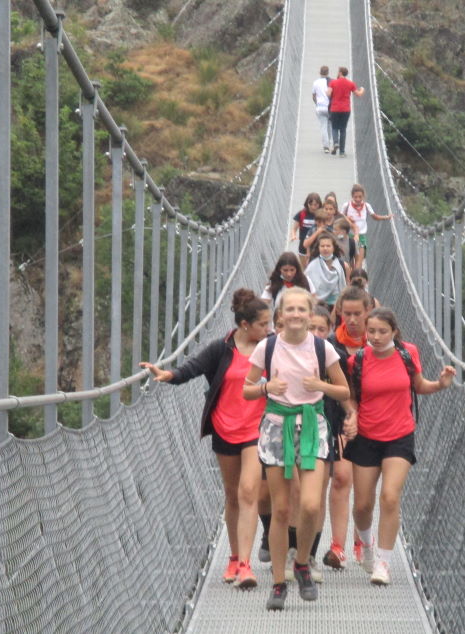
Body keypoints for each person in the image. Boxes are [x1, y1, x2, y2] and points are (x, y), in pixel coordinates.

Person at [139, 289, 272, 590]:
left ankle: (246, 566)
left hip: (257, 429)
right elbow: (192, 369)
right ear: (244, 325)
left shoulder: (271, 348)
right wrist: (168, 374)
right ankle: (234, 557)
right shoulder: (221, 349)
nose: (269, 329)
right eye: (263, 324)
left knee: (249, 491)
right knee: (232, 493)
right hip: (225, 427)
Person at [243, 288, 352, 611]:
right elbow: (247, 390)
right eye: (288, 309)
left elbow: (343, 389)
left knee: (309, 506)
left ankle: (302, 561)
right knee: (281, 510)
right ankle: (279, 582)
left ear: (309, 314)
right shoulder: (267, 346)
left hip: (312, 426)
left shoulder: (323, 348)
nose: (295, 314)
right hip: (277, 427)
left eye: (300, 310)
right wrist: (266, 387)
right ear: (279, 316)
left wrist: (321, 387)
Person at [345, 307, 456, 586]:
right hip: (367, 436)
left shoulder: (408, 354)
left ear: (394, 331)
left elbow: (418, 386)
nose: (376, 336)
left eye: (383, 331)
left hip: (399, 435)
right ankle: (367, 547)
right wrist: (353, 417)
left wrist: (440, 384)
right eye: (371, 331)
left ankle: (383, 563)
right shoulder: (357, 360)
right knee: (361, 505)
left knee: (391, 497)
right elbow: (351, 397)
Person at [321, 286, 371, 570]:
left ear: (367, 313)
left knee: (365, 487)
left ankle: (361, 541)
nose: (351, 320)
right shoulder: (330, 346)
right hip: (339, 417)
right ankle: (337, 546)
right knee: (341, 478)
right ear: (339, 313)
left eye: (357, 314)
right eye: (346, 314)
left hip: (374, 419)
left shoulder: (379, 341)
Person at [342, 183, 392, 271]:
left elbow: (374, 216)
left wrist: (386, 217)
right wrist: (347, 218)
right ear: (352, 196)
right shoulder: (347, 205)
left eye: (360, 197)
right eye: (355, 197)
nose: (357, 199)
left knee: (359, 261)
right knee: (350, 261)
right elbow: (340, 217)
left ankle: (356, 279)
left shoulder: (366, 206)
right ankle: (351, 278)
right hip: (349, 236)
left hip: (361, 237)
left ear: (363, 196)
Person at [327, 66, 365, 157]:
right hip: (346, 109)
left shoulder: (333, 82)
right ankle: (342, 152)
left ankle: (336, 143)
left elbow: (328, 94)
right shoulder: (350, 84)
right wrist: (362, 89)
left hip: (335, 109)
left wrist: (331, 94)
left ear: (340, 73)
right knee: (343, 129)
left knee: (334, 127)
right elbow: (358, 94)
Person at [305, 232, 349, 307]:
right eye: (322, 246)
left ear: (333, 248)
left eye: (328, 246)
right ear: (318, 248)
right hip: (318, 305)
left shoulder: (343, 266)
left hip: (337, 306)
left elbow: (347, 284)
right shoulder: (312, 266)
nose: (325, 248)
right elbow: (307, 285)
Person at [290, 193, 323, 265]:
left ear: (319, 204)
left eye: (315, 205)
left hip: (318, 247)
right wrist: (293, 235)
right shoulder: (301, 214)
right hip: (303, 247)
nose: (313, 207)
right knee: (304, 269)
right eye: (311, 204)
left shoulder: (322, 215)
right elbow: (294, 228)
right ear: (307, 204)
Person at [312, 65, 333, 153]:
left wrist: (317, 103)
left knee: (323, 126)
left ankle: (326, 147)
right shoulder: (331, 82)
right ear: (328, 73)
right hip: (330, 107)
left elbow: (313, 96)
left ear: (320, 73)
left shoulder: (316, 83)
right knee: (330, 126)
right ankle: (330, 142)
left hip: (320, 108)